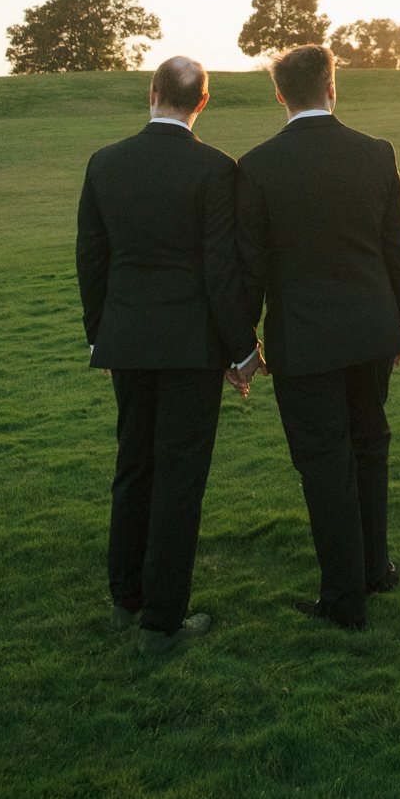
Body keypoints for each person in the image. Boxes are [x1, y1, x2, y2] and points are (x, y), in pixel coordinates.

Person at [76, 55, 260, 656]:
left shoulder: (105, 163)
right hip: (191, 346)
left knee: (134, 464)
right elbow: (220, 269)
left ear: (151, 92)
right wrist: (242, 350)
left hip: (126, 340)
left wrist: (100, 334)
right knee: (180, 477)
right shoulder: (214, 168)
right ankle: (162, 620)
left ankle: (125, 599)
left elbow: (92, 260)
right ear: (201, 101)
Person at [235, 44, 400, 629]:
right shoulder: (376, 153)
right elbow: (395, 247)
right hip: (370, 331)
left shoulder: (257, 166)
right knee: (369, 446)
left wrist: (243, 345)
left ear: (280, 93)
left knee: (324, 462)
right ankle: (373, 571)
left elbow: (251, 267)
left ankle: (344, 598)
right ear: (333, 87)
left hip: (303, 341)